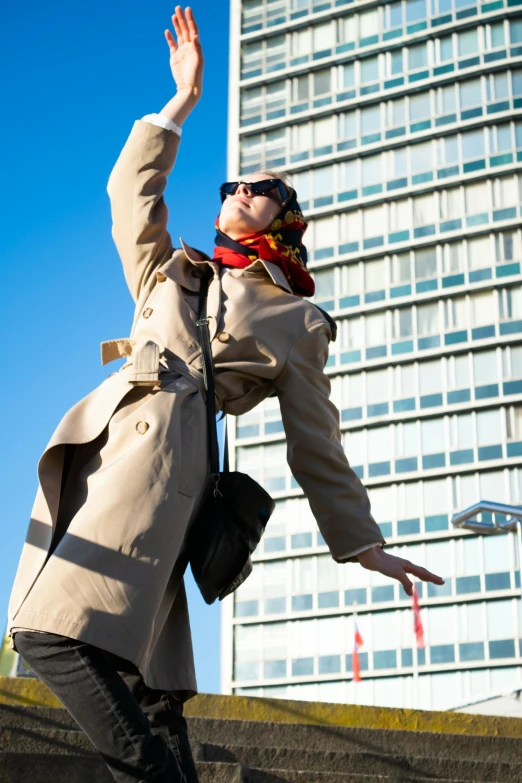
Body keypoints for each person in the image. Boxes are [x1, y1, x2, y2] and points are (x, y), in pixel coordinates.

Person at [8, 6, 444, 783]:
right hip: (103, 457)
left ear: (288, 225)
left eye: (264, 187)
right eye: (236, 182)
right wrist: (180, 102)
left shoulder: (294, 315)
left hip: (163, 472)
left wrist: (361, 541)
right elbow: (126, 191)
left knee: (50, 633)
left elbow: (317, 439)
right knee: (142, 683)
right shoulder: (170, 272)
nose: (242, 187)